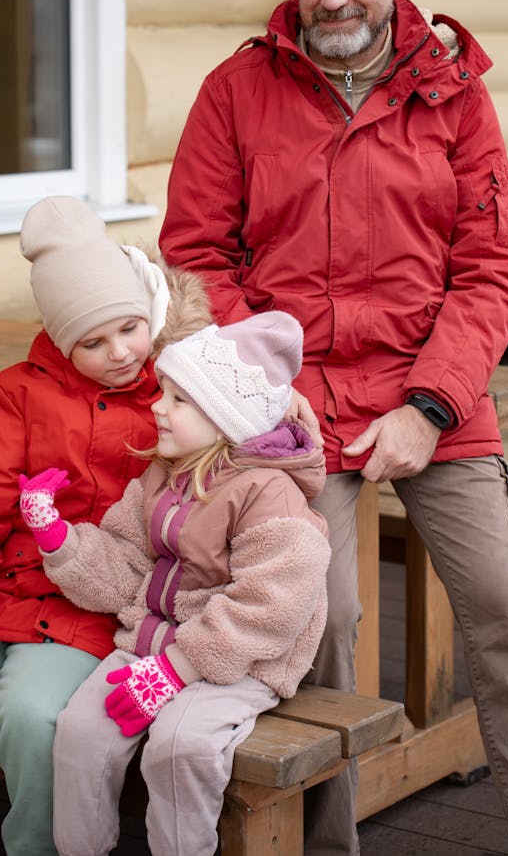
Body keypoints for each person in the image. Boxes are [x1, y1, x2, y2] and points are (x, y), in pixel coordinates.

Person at [157, 0, 508, 855]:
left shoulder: (455, 95)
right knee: (317, 613)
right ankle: (329, 845)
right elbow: (196, 253)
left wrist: (429, 409)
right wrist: (269, 395)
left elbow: (488, 269)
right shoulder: (238, 90)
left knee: (504, 612)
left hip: (433, 394)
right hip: (291, 401)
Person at [0, 194, 211, 856]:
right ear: (57, 335)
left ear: (153, 316)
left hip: (85, 609)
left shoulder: (174, 399)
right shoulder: (13, 396)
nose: (119, 352)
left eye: (130, 328)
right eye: (92, 340)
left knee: (35, 720)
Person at [17, 310, 330, 856]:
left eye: (179, 400)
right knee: (80, 735)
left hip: (239, 660)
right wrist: (58, 538)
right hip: (153, 642)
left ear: (224, 418)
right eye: (164, 393)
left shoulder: (269, 495)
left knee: (179, 749)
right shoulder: (165, 472)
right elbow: (126, 568)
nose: (158, 406)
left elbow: (272, 606)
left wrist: (176, 670)